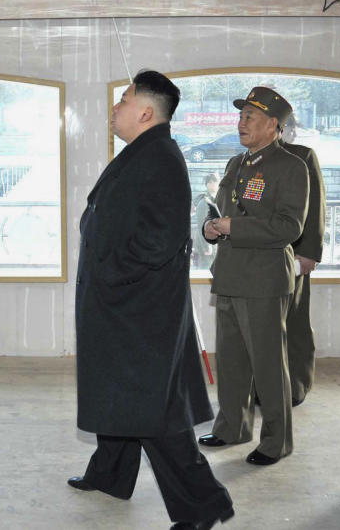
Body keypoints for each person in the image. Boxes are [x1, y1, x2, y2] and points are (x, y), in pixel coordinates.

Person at [69, 70, 233, 530]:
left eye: (123, 100)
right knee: (118, 395)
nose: (115, 108)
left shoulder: (158, 156)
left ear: (145, 112)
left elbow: (159, 242)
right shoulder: (144, 150)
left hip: (137, 311)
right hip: (125, 305)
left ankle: (205, 504)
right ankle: (110, 475)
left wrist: (107, 273)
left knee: (153, 413)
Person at [198, 87, 308, 466]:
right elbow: (225, 212)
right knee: (231, 361)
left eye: (250, 118)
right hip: (229, 273)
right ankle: (232, 426)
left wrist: (235, 227)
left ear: (273, 125)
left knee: (268, 366)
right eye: (241, 116)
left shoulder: (292, 167)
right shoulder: (236, 164)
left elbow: (289, 227)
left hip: (263, 279)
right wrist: (212, 228)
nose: (241, 123)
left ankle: (277, 441)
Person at [279, 114, 326, 406]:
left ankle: (295, 384)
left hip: (292, 254)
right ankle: (264, 387)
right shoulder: (245, 159)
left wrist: (309, 252)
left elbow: (316, 205)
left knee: (292, 322)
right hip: (255, 258)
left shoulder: (301, 156)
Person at [193, 173, 221, 269]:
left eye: (217, 181)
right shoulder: (205, 202)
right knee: (207, 271)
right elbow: (202, 225)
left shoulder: (214, 200)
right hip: (207, 245)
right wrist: (207, 246)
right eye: (214, 182)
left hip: (213, 243)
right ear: (208, 184)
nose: (217, 184)